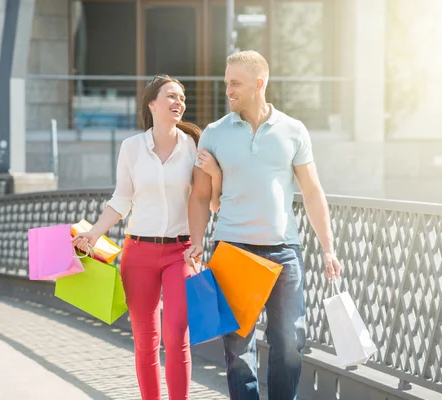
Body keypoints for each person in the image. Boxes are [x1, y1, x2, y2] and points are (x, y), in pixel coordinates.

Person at [184, 50, 343, 400]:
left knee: (289, 343)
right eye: (227, 82)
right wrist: (196, 241)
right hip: (232, 250)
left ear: (259, 84)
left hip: (284, 252)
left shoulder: (293, 130)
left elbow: (313, 192)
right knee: (238, 350)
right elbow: (200, 196)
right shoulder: (214, 133)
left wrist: (328, 248)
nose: (228, 90)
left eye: (235, 83)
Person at [72, 74, 222, 400]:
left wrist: (199, 238)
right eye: (170, 96)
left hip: (180, 252)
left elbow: (204, 199)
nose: (178, 102)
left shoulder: (194, 147)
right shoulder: (131, 148)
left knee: (176, 333)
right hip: (138, 252)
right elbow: (121, 199)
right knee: (145, 340)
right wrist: (93, 234)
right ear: (152, 103)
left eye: (181, 97)